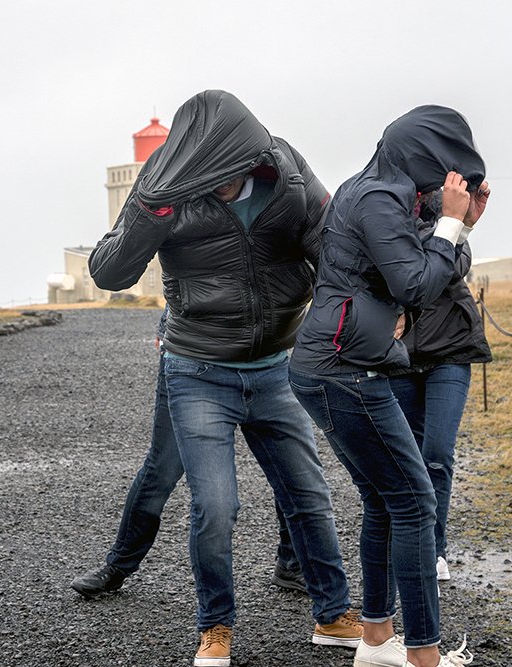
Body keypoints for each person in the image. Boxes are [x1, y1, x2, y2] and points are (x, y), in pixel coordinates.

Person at [87, 90, 360, 667]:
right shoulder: (164, 184)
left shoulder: (283, 168)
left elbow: (328, 243)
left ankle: (333, 615)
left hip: (276, 368)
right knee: (214, 506)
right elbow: (110, 271)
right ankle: (215, 629)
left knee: (309, 495)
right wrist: (150, 209)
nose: (217, 179)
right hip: (198, 373)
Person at [289, 105, 485, 667]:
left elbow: (432, 268)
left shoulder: (384, 191)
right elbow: (417, 284)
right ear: (427, 156)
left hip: (341, 363)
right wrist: (448, 223)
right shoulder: (379, 198)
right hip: (344, 369)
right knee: (416, 501)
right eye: (449, 166)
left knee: (385, 499)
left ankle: (376, 642)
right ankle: (424, 657)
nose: (451, 179)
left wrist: (461, 225)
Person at [70, 309, 307, 599]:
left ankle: (292, 564)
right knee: (163, 467)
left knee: (291, 470)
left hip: (265, 365)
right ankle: (118, 565)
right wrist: (167, 329)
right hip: (190, 363)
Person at [388, 233, 492, 585]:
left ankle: (434, 550)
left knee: (436, 452)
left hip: (451, 350)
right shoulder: (386, 211)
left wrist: (448, 229)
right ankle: (410, 543)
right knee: (407, 455)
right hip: (401, 353)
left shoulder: (448, 214)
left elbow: (457, 263)